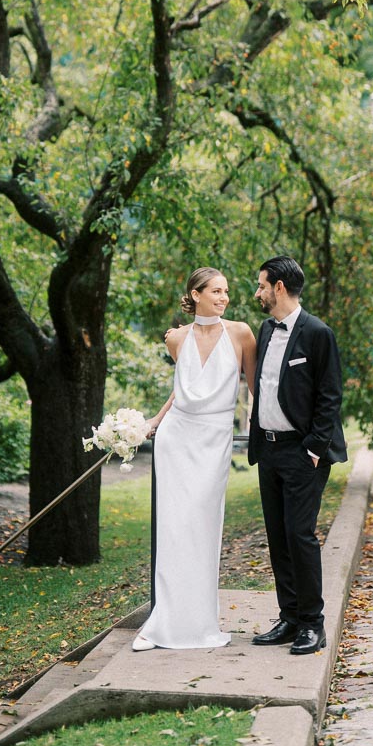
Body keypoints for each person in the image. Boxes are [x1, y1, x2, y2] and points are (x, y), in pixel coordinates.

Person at [133, 267, 257, 651]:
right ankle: (161, 625)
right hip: (176, 440)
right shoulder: (176, 338)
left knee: (202, 529)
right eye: (216, 291)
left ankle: (200, 623)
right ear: (196, 294)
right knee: (171, 530)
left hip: (214, 439)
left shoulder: (241, 333)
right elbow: (182, 390)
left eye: (226, 292)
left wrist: (266, 434)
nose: (224, 298)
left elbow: (255, 389)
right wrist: (155, 420)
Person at [248, 255, 346, 656]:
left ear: (280, 288)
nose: (258, 292)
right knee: (277, 536)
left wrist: (313, 450)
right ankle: (289, 618)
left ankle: (312, 623)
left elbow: (331, 396)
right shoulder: (266, 329)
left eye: (261, 286)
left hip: (303, 453)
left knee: (299, 535)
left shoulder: (317, 333)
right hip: (268, 450)